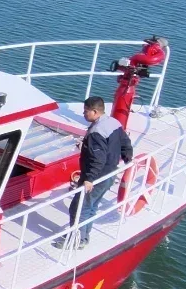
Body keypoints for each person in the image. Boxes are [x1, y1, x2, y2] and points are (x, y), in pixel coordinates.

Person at [55, 96, 133, 249]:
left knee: (78, 208)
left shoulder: (96, 132)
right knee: (91, 206)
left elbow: (98, 158)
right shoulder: (113, 123)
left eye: (86, 112)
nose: (84, 115)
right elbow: (125, 142)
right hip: (110, 174)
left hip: (97, 177)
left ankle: (77, 240)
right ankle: (84, 236)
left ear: (95, 112)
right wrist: (128, 158)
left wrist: (89, 178)